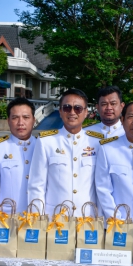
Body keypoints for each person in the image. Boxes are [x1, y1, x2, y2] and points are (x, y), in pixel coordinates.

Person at [28, 89, 103, 217]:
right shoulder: (46, 141)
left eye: (78, 108)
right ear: (61, 112)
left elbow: (102, 186)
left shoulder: (97, 142)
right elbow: (37, 185)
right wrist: (37, 218)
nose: (72, 112)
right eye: (67, 108)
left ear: (86, 112)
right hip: (55, 218)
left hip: (88, 218)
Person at [0, 98, 36, 213]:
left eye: (26, 117)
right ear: (8, 120)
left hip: (38, 218)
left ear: (34, 120)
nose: (20, 123)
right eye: (15, 117)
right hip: (7, 218)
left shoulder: (42, 147)